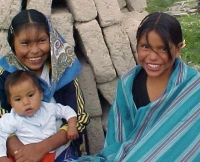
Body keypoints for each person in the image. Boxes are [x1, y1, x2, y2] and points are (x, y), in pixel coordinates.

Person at [75, 12, 200, 161]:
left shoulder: (193, 87)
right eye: (145, 46)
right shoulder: (128, 84)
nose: (152, 57)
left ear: (178, 49)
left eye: (163, 48)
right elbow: (118, 137)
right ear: (137, 46)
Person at [0, 9, 90, 162]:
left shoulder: (63, 68)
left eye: (42, 41)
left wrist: (42, 148)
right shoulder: (5, 73)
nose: (34, 51)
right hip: (17, 152)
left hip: (61, 149)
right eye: (25, 43)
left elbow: (79, 116)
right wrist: (19, 151)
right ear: (12, 44)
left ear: (51, 39)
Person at [0, 70, 78, 162]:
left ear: (40, 94)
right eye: (18, 99)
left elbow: (67, 110)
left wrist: (72, 125)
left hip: (52, 152)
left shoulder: (49, 108)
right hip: (25, 156)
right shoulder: (11, 118)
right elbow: (1, 135)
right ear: (11, 103)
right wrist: (2, 156)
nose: (26, 102)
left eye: (30, 95)